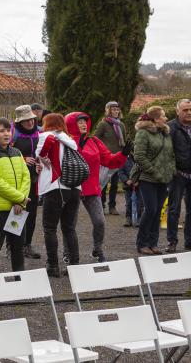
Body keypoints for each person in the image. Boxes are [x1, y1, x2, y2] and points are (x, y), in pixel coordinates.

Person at [65, 112, 127, 263]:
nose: (83, 124)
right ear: (71, 124)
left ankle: (97, 250)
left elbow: (109, 160)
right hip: (71, 188)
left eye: (85, 122)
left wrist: (123, 154)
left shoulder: (94, 141)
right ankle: (68, 252)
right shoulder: (65, 141)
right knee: (69, 224)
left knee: (99, 222)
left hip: (91, 188)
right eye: (79, 122)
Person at [0, 117, 31, 274]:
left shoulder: (17, 152)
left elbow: (26, 177)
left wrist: (20, 202)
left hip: (17, 209)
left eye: (8, 130)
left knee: (17, 246)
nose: (6, 134)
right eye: (1, 131)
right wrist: (19, 198)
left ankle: (19, 280)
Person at [36, 113, 81, 277]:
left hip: (55, 187)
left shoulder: (46, 136)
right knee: (69, 228)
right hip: (75, 188)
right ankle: (75, 265)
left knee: (49, 228)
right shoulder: (70, 139)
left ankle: (53, 266)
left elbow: (40, 155)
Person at [133, 106, 175, 255]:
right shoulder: (143, 133)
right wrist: (152, 171)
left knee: (157, 212)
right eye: (163, 116)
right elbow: (138, 156)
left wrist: (171, 171)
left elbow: (170, 155)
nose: (166, 118)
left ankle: (153, 243)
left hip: (164, 179)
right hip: (148, 178)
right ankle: (142, 243)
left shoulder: (165, 133)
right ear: (156, 119)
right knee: (150, 210)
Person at [12, 105, 42, 260]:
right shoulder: (13, 134)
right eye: (26, 120)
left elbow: (45, 153)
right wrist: (23, 159)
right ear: (19, 122)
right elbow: (6, 153)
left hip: (35, 179)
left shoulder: (40, 133)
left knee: (31, 213)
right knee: (17, 212)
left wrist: (41, 161)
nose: (30, 122)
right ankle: (12, 246)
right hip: (17, 179)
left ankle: (27, 245)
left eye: (31, 119)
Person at [166, 98, 191, 253]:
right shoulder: (170, 128)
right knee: (174, 209)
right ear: (177, 111)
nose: (189, 113)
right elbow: (166, 152)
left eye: (190, 110)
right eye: (185, 110)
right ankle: (172, 241)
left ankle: (189, 241)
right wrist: (172, 170)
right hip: (177, 174)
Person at [94, 101, 127, 215]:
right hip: (105, 159)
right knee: (103, 183)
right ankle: (101, 205)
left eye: (117, 109)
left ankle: (112, 206)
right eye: (113, 109)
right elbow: (95, 139)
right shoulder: (103, 124)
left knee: (114, 184)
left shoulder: (121, 125)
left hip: (118, 158)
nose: (116, 111)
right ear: (108, 110)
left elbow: (124, 141)